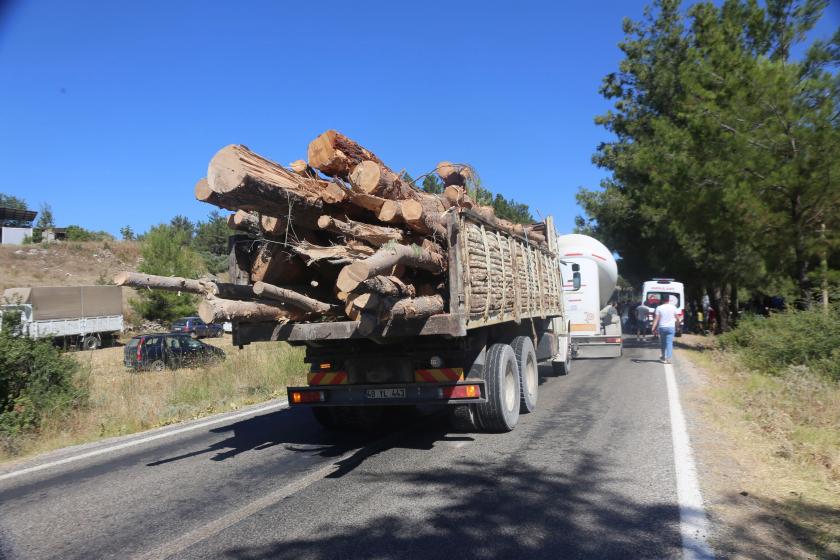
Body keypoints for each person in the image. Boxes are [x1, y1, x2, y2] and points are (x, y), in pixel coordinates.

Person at [652, 295, 681, 363]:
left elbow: (656, 319)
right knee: (669, 343)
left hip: (662, 327)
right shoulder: (673, 307)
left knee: (663, 343)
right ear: (669, 300)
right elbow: (677, 318)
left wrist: (653, 327)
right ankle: (669, 358)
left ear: (662, 300)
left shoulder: (659, 307)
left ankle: (663, 356)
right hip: (671, 327)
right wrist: (677, 326)